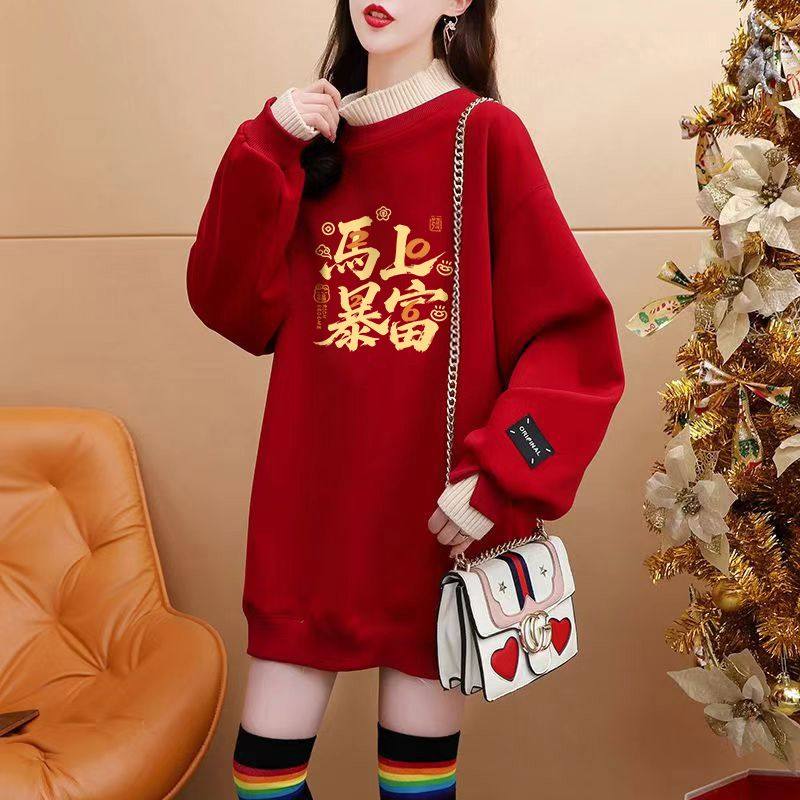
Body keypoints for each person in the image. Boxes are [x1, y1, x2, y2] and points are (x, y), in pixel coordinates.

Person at [187, 1, 625, 797]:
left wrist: (501, 477)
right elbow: (230, 305)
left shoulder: (483, 135)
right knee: (261, 780)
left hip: (433, 523)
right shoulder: (305, 142)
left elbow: (574, 342)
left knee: (415, 788)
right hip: (309, 520)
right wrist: (268, 144)